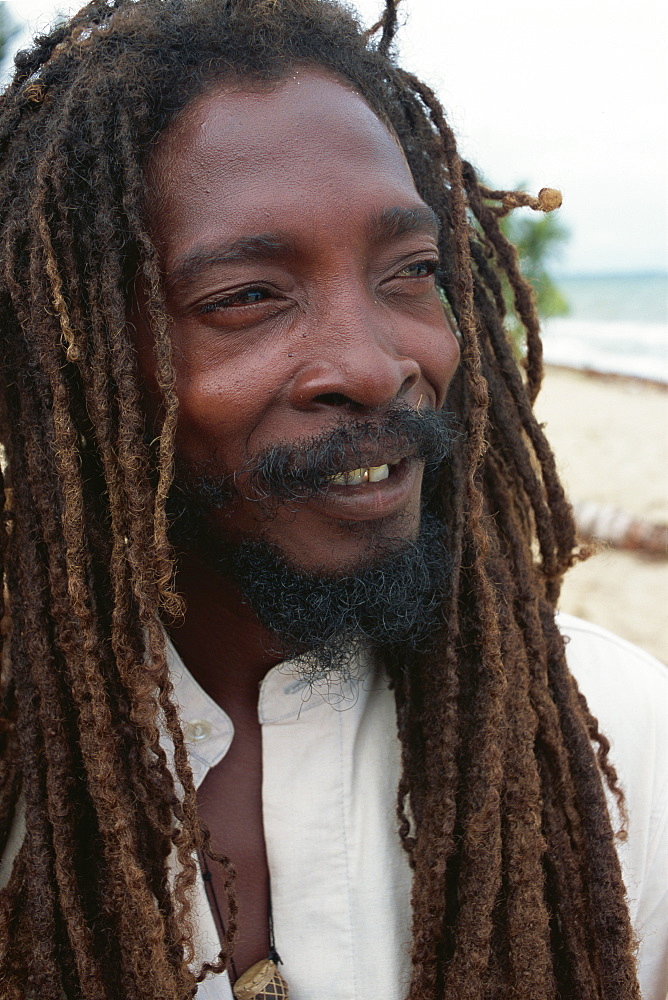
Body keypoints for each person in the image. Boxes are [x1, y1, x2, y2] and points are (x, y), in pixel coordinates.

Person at [0, 1, 665, 998]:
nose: (373, 364)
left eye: (409, 273)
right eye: (248, 296)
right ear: (73, 357)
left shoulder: (615, 730)